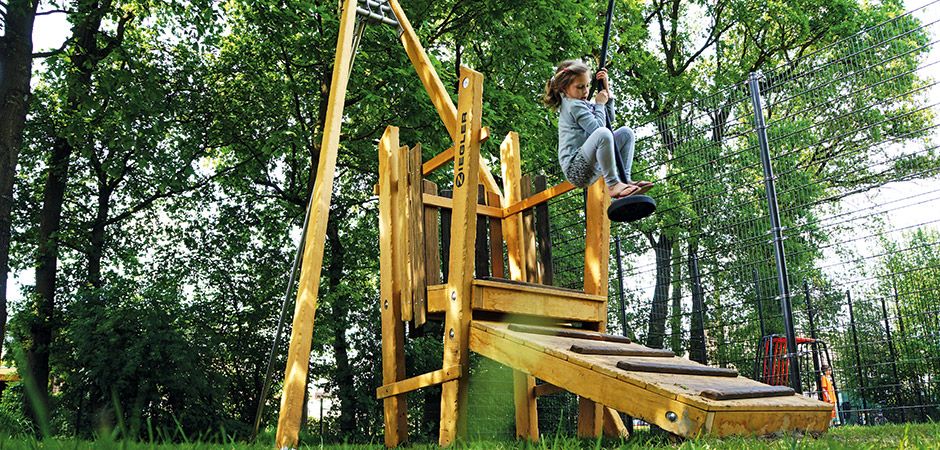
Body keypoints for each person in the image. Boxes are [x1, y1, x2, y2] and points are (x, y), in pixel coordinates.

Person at [543, 59, 652, 198]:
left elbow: (609, 119)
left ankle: (625, 180)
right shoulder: (573, 106)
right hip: (576, 169)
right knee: (602, 133)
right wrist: (599, 104)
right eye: (580, 87)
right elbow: (600, 129)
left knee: (626, 133)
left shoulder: (582, 103)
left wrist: (606, 89)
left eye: (587, 85)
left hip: (592, 163)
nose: (586, 91)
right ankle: (613, 184)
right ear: (564, 89)